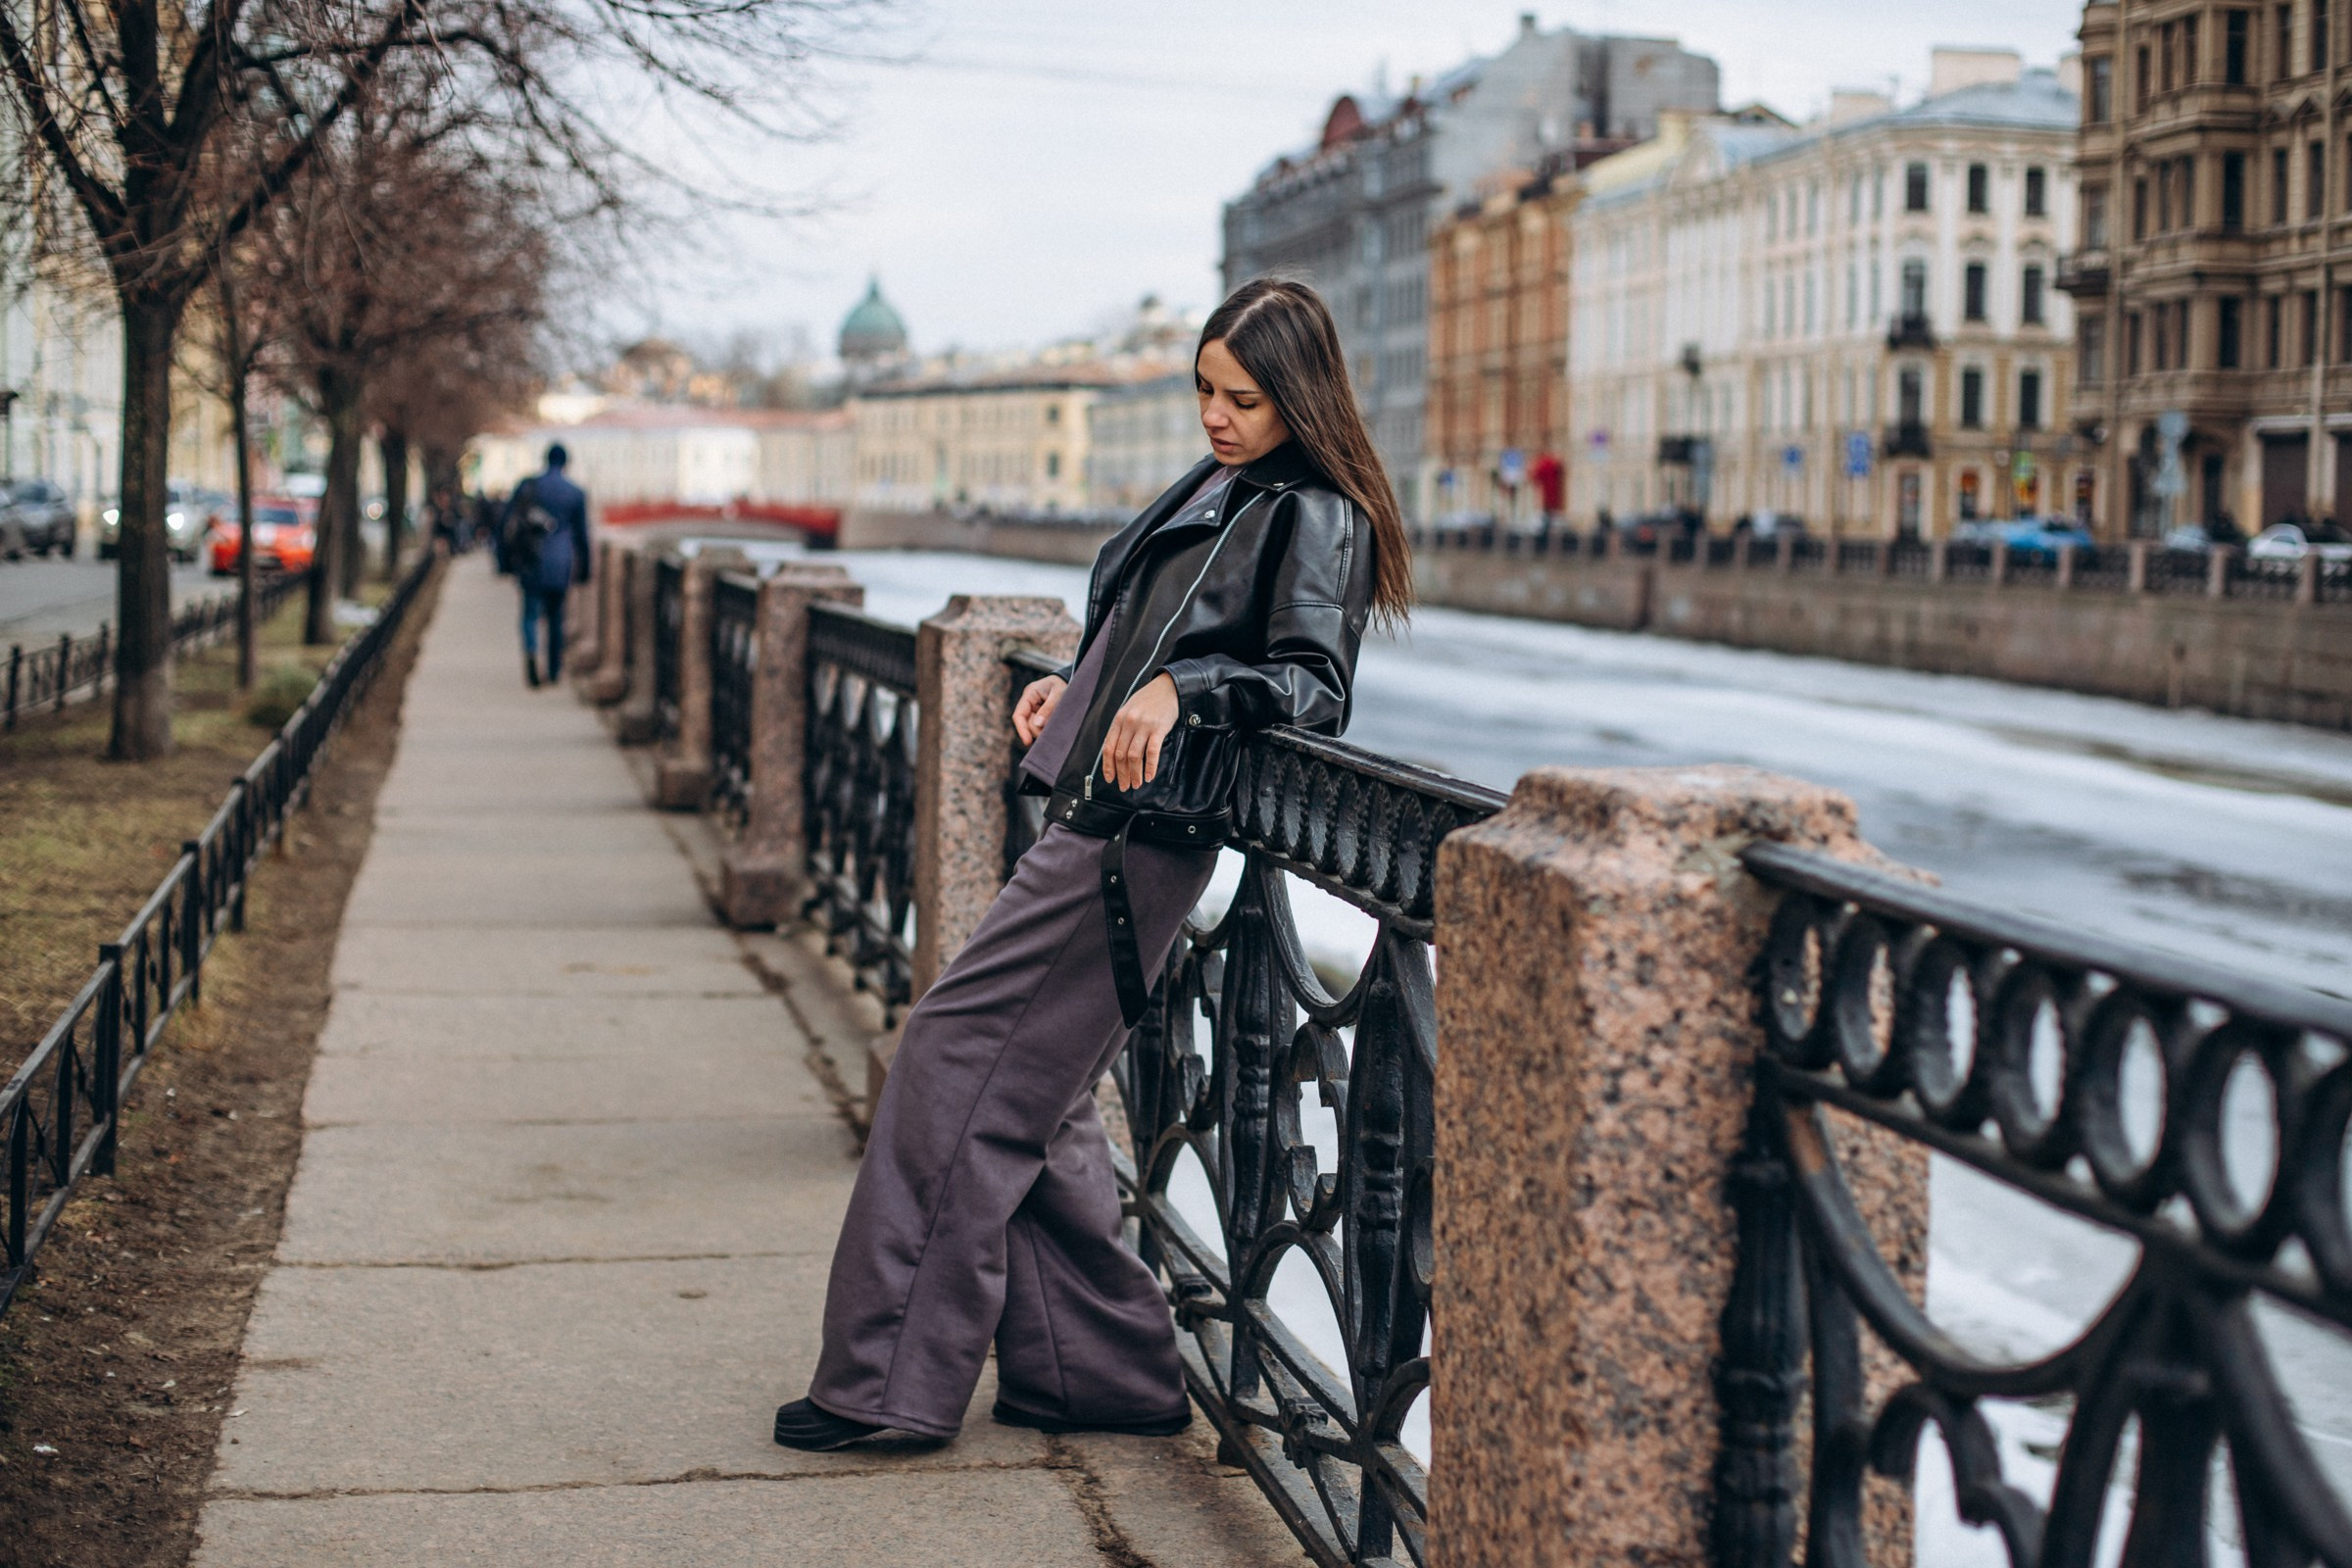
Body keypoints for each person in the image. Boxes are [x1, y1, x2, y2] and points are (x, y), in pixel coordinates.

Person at [771, 277, 1414, 1452]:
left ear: (1302, 397)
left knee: (950, 1064)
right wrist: (1081, 685)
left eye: (1247, 399)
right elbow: (1147, 627)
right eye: (1205, 390)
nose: (1218, 416)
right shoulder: (1227, 486)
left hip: (1140, 843)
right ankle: (1095, 1368)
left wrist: (1185, 689)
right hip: (1100, 816)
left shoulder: (1314, 510)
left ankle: (883, 1384)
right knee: (1036, 1100)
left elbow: (1313, 690)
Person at [499, 445, 591, 687]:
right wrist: (585, 570)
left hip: (531, 559)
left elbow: (505, 523)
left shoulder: (528, 486)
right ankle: (552, 670)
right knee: (556, 617)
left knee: (529, 614)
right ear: (566, 462)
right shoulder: (575, 493)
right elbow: (582, 536)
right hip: (561, 562)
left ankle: (531, 651)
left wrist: (504, 562)